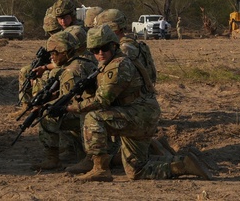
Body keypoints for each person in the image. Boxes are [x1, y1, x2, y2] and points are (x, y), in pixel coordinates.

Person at [68, 26, 210, 181]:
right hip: (141, 113)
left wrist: (71, 108)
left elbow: (102, 100)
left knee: (93, 118)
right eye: (96, 50)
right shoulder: (110, 63)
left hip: (139, 115)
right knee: (137, 170)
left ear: (114, 45)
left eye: (105, 48)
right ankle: (183, 164)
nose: (100, 53)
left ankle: (100, 169)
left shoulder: (118, 65)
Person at [33, 31, 98, 171]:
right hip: (93, 108)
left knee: (47, 115)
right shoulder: (85, 60)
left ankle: (52, 158)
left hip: (87, 111)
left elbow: (69, 101)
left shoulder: (70, 71)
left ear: (64, 52)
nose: (51, 57)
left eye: (54, 53)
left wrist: (47, 106)